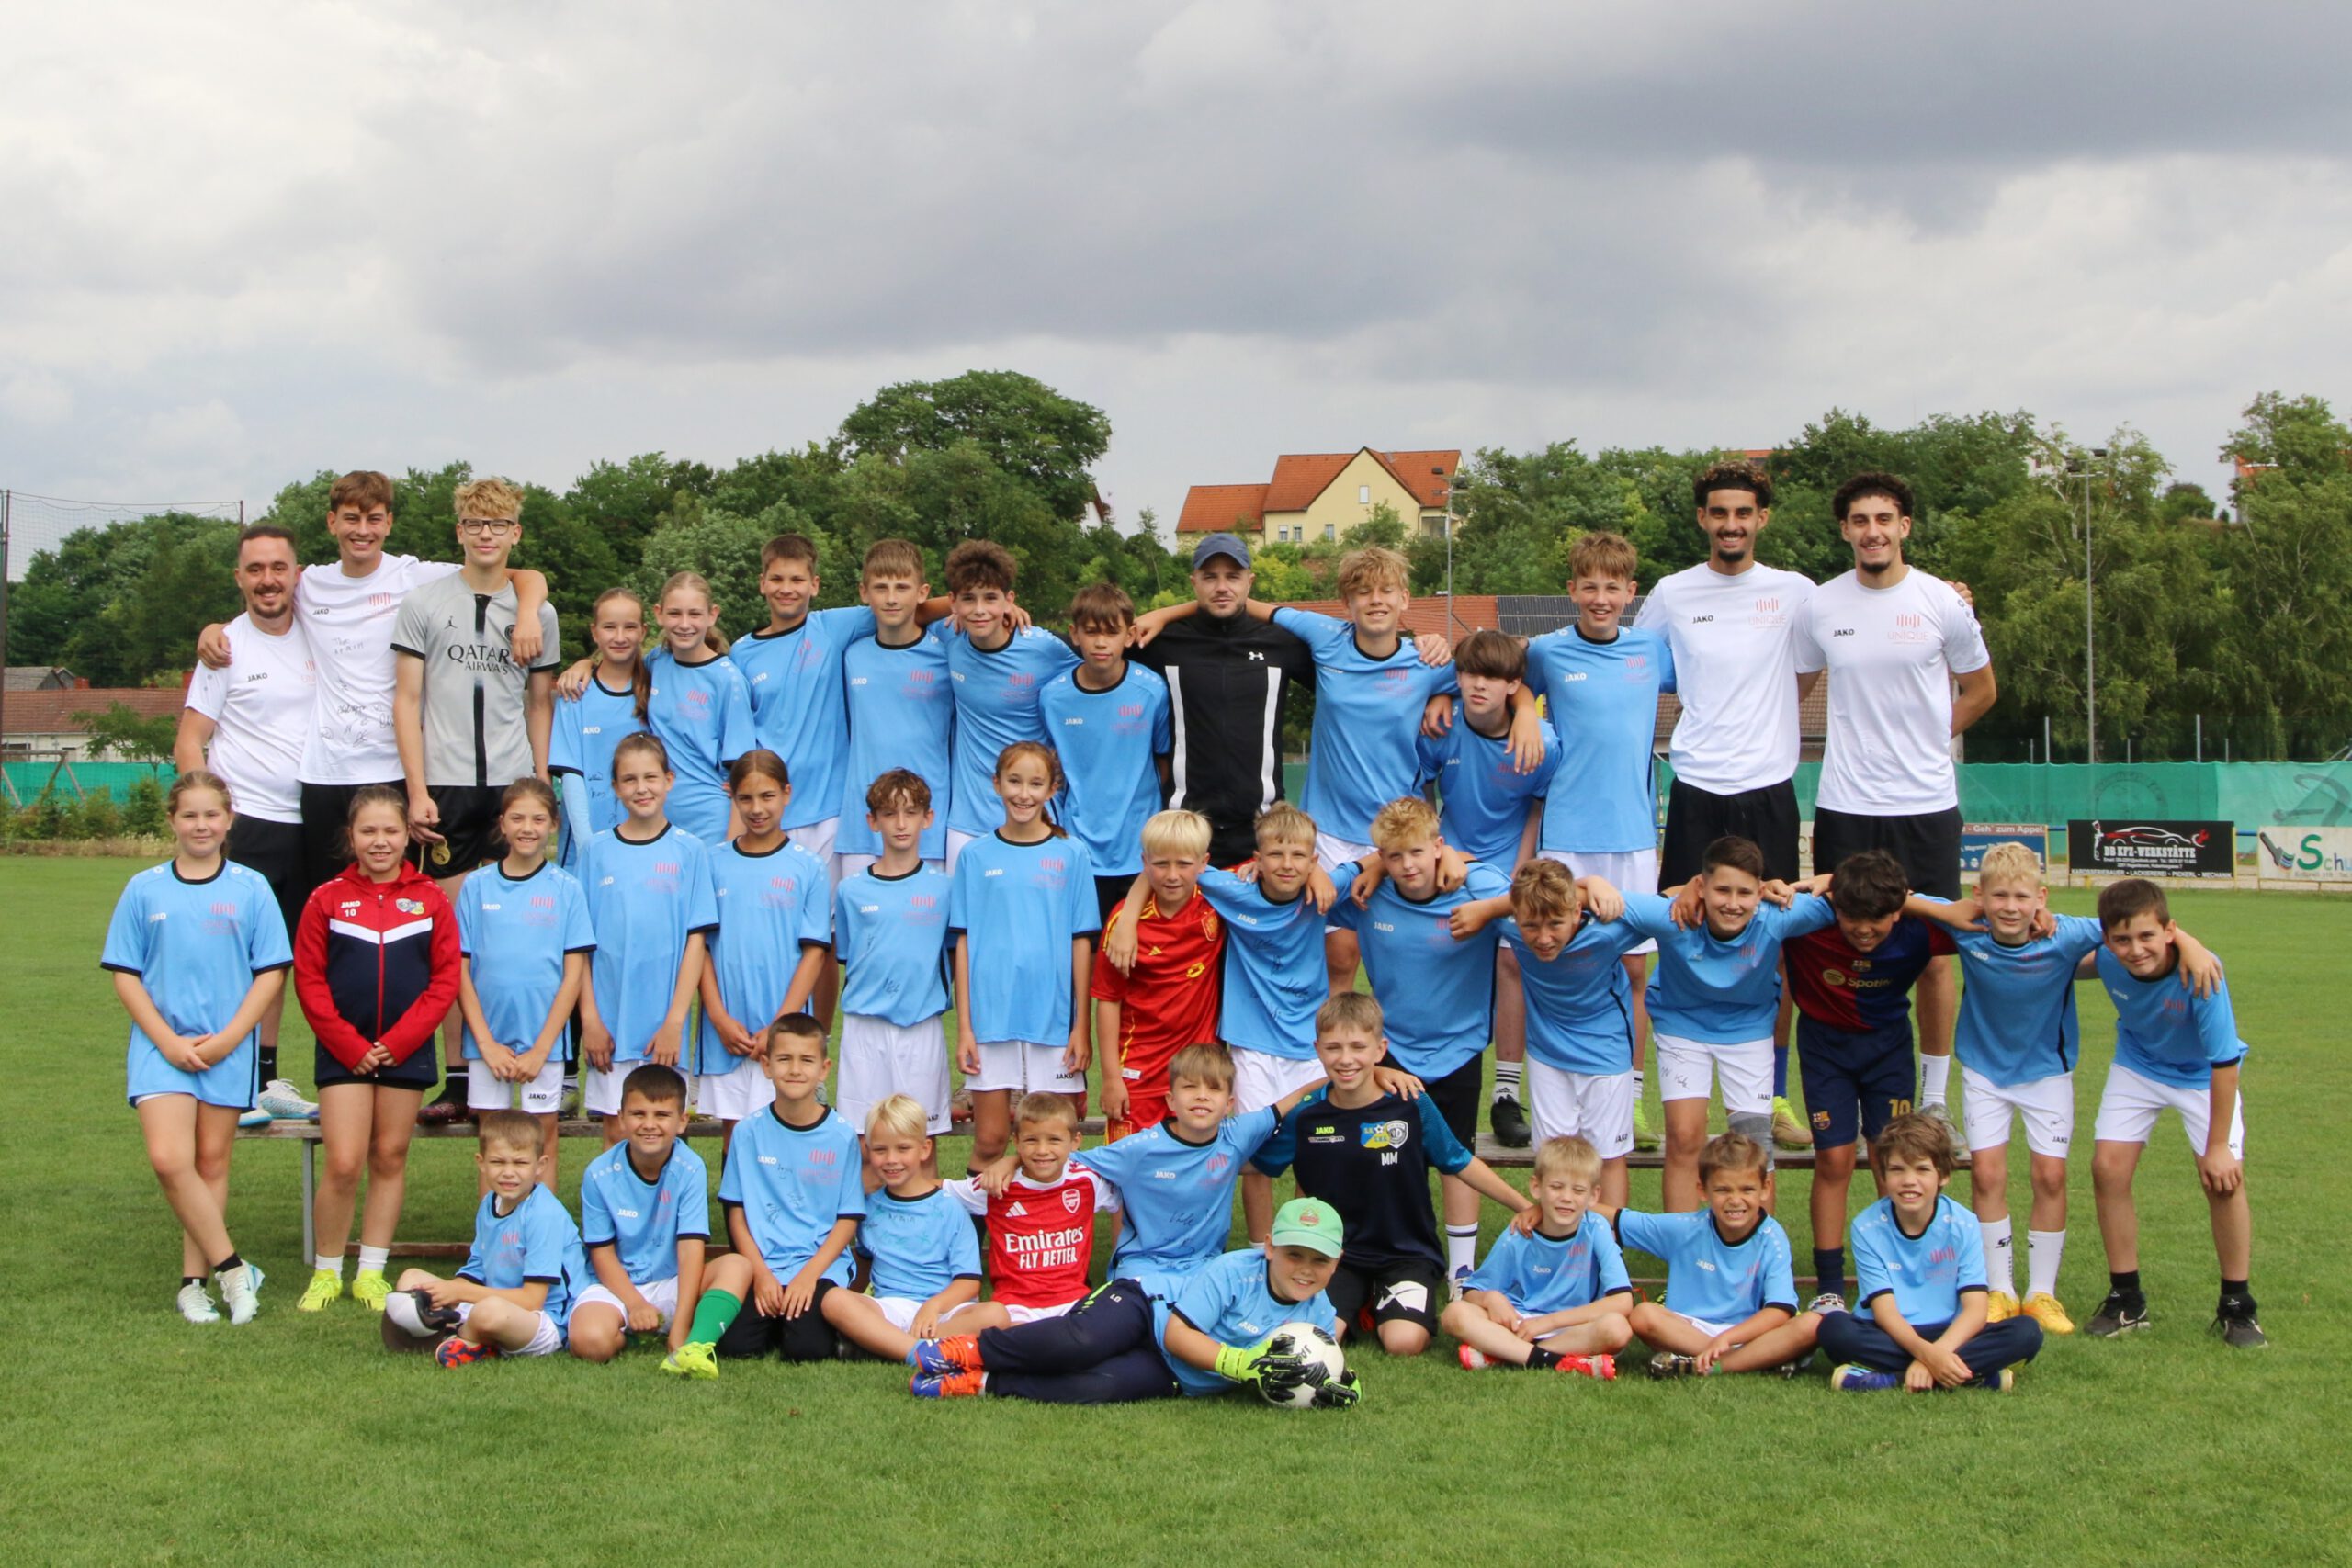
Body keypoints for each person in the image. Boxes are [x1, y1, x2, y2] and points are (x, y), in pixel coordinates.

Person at [1908, 845, 2220, 1335]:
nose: (2011, 907)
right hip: (1984, 1073)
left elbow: (2138, 926)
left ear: (2042, 897)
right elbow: (1894, 896)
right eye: (1999, 896)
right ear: (1979, 895)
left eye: (2022, 897)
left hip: (2048, 1074)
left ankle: (2042, 1294)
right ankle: (1999, 1290)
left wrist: (2193, 945)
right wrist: (1944, 910)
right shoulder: (1966, 927)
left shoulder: (2068, 934)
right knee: (1986, 1175)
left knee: (2051, 1177)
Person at [195, 470, 549, 892]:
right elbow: (267, 594)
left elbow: (517, 574)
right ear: (332, 523)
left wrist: (528, 614)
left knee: (399, 900)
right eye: (351, 519)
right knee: (327, 900)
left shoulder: (415, 577)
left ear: (389, 524)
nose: (362, 530)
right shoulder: (312, 583)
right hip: (325, 774)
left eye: (374, 519)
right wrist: (215, 629)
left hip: (394, 770)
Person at [1794, 470, 1998, 1156]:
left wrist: (1932, 738)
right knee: (1838, 942)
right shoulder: (1822, 604)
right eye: (1860, 520)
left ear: (1905, 526)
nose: (1872, 531)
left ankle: (1934, 1102)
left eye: (1884, 519)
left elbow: (1982, 688)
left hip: (1925, 805)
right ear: (1845, 530)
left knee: (1936, 953)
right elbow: (1793, 688)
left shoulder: (1942, 601)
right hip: (1846, 804)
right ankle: (1835, 1092)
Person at [102, 769, 291, 1324]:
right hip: (160, 1048)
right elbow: (125, 975)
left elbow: (271, 973)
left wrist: (229, 1040)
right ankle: (233, 1268)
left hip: (226, 1050)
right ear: (172, 821)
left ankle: (194, 1285)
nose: (201, 825)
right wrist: (166, 1040)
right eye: (190, 815)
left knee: (210, 1163)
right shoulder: (144, 888)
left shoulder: (251, 887)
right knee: (169, 1159)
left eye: (212, 814)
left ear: (229, 820)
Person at [1251, 993, 1533, 1356]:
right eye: (1334, 1048)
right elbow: (1257, 1164)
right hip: (1335, 1255)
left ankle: (1379, 1302)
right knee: (1320, 1335)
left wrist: (1525, 1206)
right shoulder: (1305, 1116)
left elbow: (1458, 1160)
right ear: (1318, 1050)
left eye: (1358, 1047)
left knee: (1404, 1342)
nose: (1346, 1059)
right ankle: (1361, 1303)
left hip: (1406, 1253)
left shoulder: (1410, 1104)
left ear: (1380, 1049)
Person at [904, 1196, 1359, 1408]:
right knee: (1082, 1343)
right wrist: (1241, 1365)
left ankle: (980, 1383)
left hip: (1176, 1375)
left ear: (1337, 1263)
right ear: (1270, 1247)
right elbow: (1177, 1334)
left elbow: (1320, 1353)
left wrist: (1333, 1382)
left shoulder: (1319, 1312)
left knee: (1099, 1386)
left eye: (1319, 1260)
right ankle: (969, 1349)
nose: (1305, 1269)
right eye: (1294, 1254)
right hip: (1144, 1308)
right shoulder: (1234, 1271)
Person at [1523, 530, 1676, 1151]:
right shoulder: (1546, 651)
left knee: (1633, 969)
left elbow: (1726, 666)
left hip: (1632, 837)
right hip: (1566, 836)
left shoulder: (1652, 651)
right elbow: (1502, 682)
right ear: (1572, 590)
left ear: (1631, 592)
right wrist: (1523, 711)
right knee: (1548, 960)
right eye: (1589, 586)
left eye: (1613, 587)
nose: (1601, 597)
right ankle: (1540, 1093)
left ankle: (1629, 1097)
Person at [1326, 796, 1514, 1280]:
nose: (1407, 865)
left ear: (1438, 846)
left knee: (1457, 1159)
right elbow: (1320, 887)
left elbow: (1533, 896)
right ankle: (1380, 1260)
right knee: (1384, 1158)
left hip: (1458, 1050)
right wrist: (1368, 866)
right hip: (1393, 1055)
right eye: (1394, 856)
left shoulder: (1477, 887)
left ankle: (1461, 1273)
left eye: (1416, 852)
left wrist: (1488, 908)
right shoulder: (1369, 896)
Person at [292, 786, 459, 1313]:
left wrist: (400, 1042)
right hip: (344, 1052)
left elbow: (445, 979)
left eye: (390, 830)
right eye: (368, 831)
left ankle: (370, 1272)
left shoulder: (431, 898)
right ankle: (326, 1272)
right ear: (351, 836)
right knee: (344, 1161)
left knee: (389, 1156)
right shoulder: (325, 898)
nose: (380, 841)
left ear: (408, 835)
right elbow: (309, 980)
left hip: (404, 1052)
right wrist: (348, 1044)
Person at [174, 524, 318, 1121]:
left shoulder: (322, 630)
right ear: (239, 578)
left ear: (297, 574)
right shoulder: (225, 646)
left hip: (316, 820)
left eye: (278, 567)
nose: (267, 580)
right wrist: (211, 820)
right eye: (255, 569)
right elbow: (190, 740)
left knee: (295, 960)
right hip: (250, 823)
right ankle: (242, 1079)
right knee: (246, 958)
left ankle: (276, 1079)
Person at [2084, 879, 2264, 1348]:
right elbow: (2060, 940)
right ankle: (2127, 1300)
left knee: (2223, 1181)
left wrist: (2218, 1146)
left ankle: (2237, 1307)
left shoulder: (2202, 973)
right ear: (2107, 941)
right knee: (2107, 1169)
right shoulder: (2105, 959)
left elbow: (2224, 1064)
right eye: (2122, 939)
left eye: (2147, 936)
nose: (2135, 949)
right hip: (2139, 1065)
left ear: (2169, 931)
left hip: (2203, 1076)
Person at [1613, 836, 1835, 1211]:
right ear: (1701, 886)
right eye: (1722, 890)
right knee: (1684, 1137)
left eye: (1744, 893)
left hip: (1748, 1030)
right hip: (1681, 1026)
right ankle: (1682, 1242)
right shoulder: (1672, 915)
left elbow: (1867, 892)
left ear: (1761, 891)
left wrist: (1830, 879)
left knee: (1754, 1144)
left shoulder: (1777, 916)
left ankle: (1756, 1244)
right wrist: (1599, 885)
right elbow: (1595, 899)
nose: (1733, 903)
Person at [1777, 851, 1954, 1310]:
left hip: (1889, 1052)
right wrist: (1793, 886)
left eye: (1876, 919)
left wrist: (1911, 902)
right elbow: (1749, 902)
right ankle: (1830, 1285)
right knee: (1833, 1160)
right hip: (1825, 1052)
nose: (1863, 929)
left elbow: (1980, 916)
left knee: (1891, 1159)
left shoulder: (1919, 929)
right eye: (1852, 917)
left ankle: (1899, 1275)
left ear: (1897, 911)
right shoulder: (1807, 923)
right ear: (1835, 906)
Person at [1635, 458, 1814, 887]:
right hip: (1697, 785)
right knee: (1684, 913)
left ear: (1761, 518)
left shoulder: (1796, 590)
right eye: (1719, 513)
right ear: (1703, 518)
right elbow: (1628, 659)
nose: (1731, 525)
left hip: (1769, 786)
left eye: (1742, 513)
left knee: (1774, 916)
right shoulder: (1673, 591)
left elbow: (1850, 632)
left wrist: (1947, 596)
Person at [1417, 627, 1560, 1147]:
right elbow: (1424, 792)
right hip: (1451, 863)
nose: (1479, 685)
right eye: (1469, 675)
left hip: (1511, 867)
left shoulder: (1543, 743)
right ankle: (1425, 1082)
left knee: (1510, 964)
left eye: (1492, 677)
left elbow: (1538, 808)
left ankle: (1504, 1095)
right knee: (1444, 968)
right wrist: (1437, 850)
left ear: (1514, 685)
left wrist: (1519, 875)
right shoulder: (1441, 728)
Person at [662, 1017, 863, 1374]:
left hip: (818, 1266)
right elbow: (736, 1213)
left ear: (824, 1069)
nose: (795, 1069)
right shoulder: (747, 1132)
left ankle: (815, 1324)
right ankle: (780, 1317)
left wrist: (808, 1277)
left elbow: (848, 1218)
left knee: (805, 1349)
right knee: (737, 1346)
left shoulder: (842, 1135)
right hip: (764, 1263)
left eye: (806, 1060)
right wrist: (761, 1274)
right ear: (767, 1066)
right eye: (784, 1059)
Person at [1448, 861, 1647, 1207]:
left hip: (1607, 1055)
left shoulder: (1610, 923)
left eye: (1555, 923)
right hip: (1547, 1058)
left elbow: (1677, 904)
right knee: (1551, 1157)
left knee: (1608, 1157)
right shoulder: (1510, 922)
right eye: (1530, 925)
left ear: (1577, 911)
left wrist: (1593, 882)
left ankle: (1609, 1241)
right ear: (1516, 916)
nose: (1542, 938)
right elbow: (1454, 858)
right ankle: (1555, 1238)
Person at [1067, 1043, 1352, 1278]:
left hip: (1206, 1267)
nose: (1202, 1096)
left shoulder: (1237, 1134)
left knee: (1253, 1286)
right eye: (1190, 1087)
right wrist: (1029, 1158)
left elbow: (1298, 1097)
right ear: (1171, 1100)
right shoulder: (1141, 1147)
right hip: (1145, 1266)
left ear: (1229, 1105)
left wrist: (1357, 1076)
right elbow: (1073, 1162)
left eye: (1214, 1089)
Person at [1125, 534, 1317, 869]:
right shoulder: (1164, 641)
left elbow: (1351, 666)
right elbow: (1091, 644)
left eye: (1233, 576)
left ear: (1249, 582)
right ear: (1194, 582)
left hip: (1262, 831)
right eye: (1210, 577)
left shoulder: (1281, 644)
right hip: (1186, 830)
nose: (1222, 587)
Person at [950, 740, 1099, 1169]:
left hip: (1053, 1020)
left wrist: (1081, 1026)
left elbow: (1081, 942)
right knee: (991, 1140)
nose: (1024, 793)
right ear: (996, 784)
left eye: (1036, 784)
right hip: (991, 1020)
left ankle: (1052, 1216)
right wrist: (965, 1028)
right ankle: (982, 1218)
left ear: (1052, 789)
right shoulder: (975, 856)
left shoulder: (1071, 854)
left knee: (1052, 1139)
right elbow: (963, 943)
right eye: (1014, 781)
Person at [1819, 1113, 2044, 1392]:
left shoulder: (1964, 1223)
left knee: (2027, 1332)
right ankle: (1975, 1376)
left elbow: (1976, 1310)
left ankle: (1892, 1378)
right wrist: (1928, 1355)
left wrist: (1933, 1357)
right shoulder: (1867, 1226)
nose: (1909, 1180)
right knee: (1835, 1330)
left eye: (1922, 1169)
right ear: (1884, 1175)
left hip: (1950, 1332)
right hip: (1891, 1332)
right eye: (1897, 1169)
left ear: (1943, 1175)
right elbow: (1885, 1312)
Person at [452, 777, 594, 1183]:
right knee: (493, 1139)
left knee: (542, 1137)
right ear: (502, 823)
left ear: (554, 824)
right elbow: (459, 969)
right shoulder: (477, 887)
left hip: (543, 1042)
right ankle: (492, 1223)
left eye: (537, 819)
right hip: (488, 1043)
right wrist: (485, 1044)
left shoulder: (567, 889)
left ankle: (541, 1223)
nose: (527, 828)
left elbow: (573, 974)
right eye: (517, 818)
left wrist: (542, 1048)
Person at [576, 732, 718, 1139]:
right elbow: (579, 948)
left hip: (664, 1030)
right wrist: (590, 1020)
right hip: (610, 1027)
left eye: (650, 777)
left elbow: (696, 943)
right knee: (617, 1131)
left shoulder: (690, 851)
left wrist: (675, 1022)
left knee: (664, 1131)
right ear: (616, 787)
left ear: (669, 780)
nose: (642, 788)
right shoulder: (596, 852)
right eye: (630, 779)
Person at [387, 1110, 592, 1367]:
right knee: (411, 1279)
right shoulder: (489, 1204)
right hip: (491, 1301)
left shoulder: (544, 1213)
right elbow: (476, 1268)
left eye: (520, 1163)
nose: (508, 1172)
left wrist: (459, 1292)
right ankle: (461, 1333)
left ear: (540, 1165)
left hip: (542, 1321)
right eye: (497, 1162)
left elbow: (532, 1300)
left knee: (489, 1311)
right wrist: (449, 1291)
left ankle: (456, 1334)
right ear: (481, 1162)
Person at [695, 750, 830, 1137]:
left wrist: (780, 1026)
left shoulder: (808, 867)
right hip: (727, 1033)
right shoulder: (712, 863)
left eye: (767, 796)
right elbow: (700, 947)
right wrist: (719, 1018)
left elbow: (814, 952)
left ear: (786, 793)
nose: (757, 809)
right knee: (736, 1134)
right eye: (746, 798)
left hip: (783, 1031)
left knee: (786, 1129)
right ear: (733, 798)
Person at [1611, 1132, 1823, 1378]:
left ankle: (1710, 1364)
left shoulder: (1772, 1237)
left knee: (1812, 1324)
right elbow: (1619, 1219)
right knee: (1643, 1315)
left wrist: (1728, 1337)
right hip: (1691, 1331)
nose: (1735, 1200)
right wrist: (1576, 1199)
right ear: (1703, 1190)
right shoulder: (1686, 1228)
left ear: (1765, 1189)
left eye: (1747, 1189)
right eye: (1723, 1190)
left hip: (1750, 1332)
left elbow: (1779, 1310)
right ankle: (1756, 1359)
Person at [938, 540, 1079, 874]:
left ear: (1010, 599)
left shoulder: (1043, 647)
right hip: (968, 818)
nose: (979, 610)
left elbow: (1097, 671)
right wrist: (958, 608)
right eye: (968, 599)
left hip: (1032, 810)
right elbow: (907, 609)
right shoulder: (949, 636)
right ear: (953, 602)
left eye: (991, 598)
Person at [1441, 1134, 1634, 1375]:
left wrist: (1547, 1323)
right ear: (1536, 1187)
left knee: (1617, 1329)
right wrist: (1490, 1299)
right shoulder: (1520, 1231)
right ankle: (1559, 1361)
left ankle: (1507, 1353)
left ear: (1594, 1195)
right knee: (1454, 1314)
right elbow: (1471, 1293)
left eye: (1578, 1190)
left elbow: (1622, 1301)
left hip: (1572, 1326)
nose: (1566, 1197)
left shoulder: (1597, 1228)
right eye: (1556, 1187)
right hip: (1518, 1323)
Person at [1037, 581, 1172, 922]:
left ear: (1129, 636)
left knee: (1138, 943)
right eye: (1091, 632)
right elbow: (1052, 767)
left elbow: (1163, 760)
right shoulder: (1053, 697)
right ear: (1074, 634)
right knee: (1086, 941)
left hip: (1140, 848)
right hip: (1078, 845)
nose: (1101, 642)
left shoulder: (1151, 690)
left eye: (1112, 633)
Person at [831, 769, 956, 1140]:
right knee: (864, 1141)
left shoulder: (945, 889)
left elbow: (954, 954)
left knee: (922, 1141)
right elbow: (848, 956)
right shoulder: (850, 890)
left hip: (921, 1028)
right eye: (889, 814)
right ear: (873, 821)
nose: (901, 824)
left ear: (927, 818)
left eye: (911, 813)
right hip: (864, 1029)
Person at [1090, 809, 1223, 1141]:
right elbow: (1108, 1000)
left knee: (1193, 1164)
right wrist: (1111, 1078)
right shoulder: (1124, 923)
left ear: (1203, 863)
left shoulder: (1217, 904)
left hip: (1197, 1072)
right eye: (1161, 864)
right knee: (1131, 1164)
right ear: (1145, 863)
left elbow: (1270, 869)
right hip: (1139, 1071)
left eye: (1184, 864)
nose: (1172, 875)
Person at [820, 1097, 986, 1362]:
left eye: (903, 1148)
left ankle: (889, 1344)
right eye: (880, 1150)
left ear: (924, 1149)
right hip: (891, 1307)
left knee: (996, 1315)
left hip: (943, 1309)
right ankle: (919, 1351)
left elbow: (968, 1281)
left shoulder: (950, 1208)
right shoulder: (868, 1207)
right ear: (868, 1150)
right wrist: (853, 1302)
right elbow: (863, 1261)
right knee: (834, 1300)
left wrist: (934, 1306)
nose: (891, 1159)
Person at [569, 1064, 709, 1364]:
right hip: (616, 1285)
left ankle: (683, 1332)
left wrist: (681, 1324)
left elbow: (690, 1248)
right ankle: (631, 1332)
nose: (649, 1124)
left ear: (682, 1121)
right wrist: (635, 1304)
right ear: (621, 1118)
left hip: (671, 1281)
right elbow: (602, 1252)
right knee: (589, 1342)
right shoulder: (599, 1173)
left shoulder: (691, 1168)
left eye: (662, 1115)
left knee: (736, 1268)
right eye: (638, 1114)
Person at [942, 1093, 1118, 1331]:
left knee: (1108, 1328)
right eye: (1031, 1140)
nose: (1042, 1150)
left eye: (1054, 1140)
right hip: (1016, 1306)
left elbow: (1130, 1195)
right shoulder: (997, 1184)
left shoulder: (1088, 1181)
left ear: (1075, 1141)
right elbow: (938, 1191)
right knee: (1017, 1333)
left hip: (1073, 1301)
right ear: (1016, 1141)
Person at [836, 539, 955, 874]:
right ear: (864, 593)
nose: (891, 598)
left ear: (922, 592)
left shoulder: (946, 653)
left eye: (902, 587)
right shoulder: (851, 655)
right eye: (881, 588)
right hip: (862, 825)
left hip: (926, 822)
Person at [641, 570, 755, 847]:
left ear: (712, 615)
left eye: (694, 614)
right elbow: (613, 671)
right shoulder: (656, 662)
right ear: (658, 614)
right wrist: (584, 665)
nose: (684, 624)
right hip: (658, 820)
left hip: (709, 823)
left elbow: (743, 772)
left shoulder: (728, 680)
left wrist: (731, 846)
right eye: (674, 613)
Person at [548, 586, 651, 872]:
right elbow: (572, 776)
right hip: (585, 847)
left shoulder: (655, 690)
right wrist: (587, 847)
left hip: (645, 843)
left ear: (643, 631)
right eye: (609, 627)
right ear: (595, 632)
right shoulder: (574, 695)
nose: (619, 637)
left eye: (629, 627)